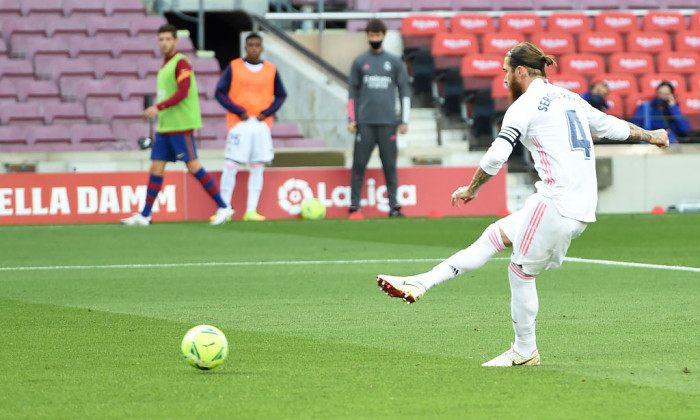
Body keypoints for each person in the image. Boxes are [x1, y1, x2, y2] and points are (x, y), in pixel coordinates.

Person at [376, 42, 668, 367]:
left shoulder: (524, 105)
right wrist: (651, 135)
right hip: (580, 204)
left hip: (555, 202)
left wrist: (472, 189)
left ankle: (525, 351)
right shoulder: (570, 98)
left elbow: (496, 155)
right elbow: (611, 127)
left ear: (519, 71)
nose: (503, 80)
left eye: (504, 72)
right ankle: (421, 281)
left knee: (520, 272)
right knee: (494, 235)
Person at [121, 24, 233, 226]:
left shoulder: (181, 63)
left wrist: (158, 107)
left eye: (168, 39)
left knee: (193, 166)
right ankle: (145, 215)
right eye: (161, 39)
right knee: (156, 167)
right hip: (166, 127)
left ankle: (224, 206)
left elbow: (183, 90)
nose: (164, 43)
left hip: (181, 126)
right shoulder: (165, 66)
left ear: (175, 41)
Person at [214, 32, 287, 222]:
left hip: (261, 125)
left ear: (262, 48)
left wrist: (268, 111)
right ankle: (225, 208)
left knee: (258, 165)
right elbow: (219, 92)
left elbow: (281, 94)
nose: (254, 49)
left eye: (257, 45)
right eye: (250, 45)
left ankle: (251, 210)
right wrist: (237, 110)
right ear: (245, 47)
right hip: (240, 124)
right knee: (231, 164)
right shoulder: (234, 67)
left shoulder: (270, 69)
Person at [347, 19, 410, 219]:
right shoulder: (359, 61)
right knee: (359, 165)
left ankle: (393, 207)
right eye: (372, 35)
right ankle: (354, 206)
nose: (375, 38)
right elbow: (352, 94)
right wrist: (352, 118)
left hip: (387, 122)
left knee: (390, 166)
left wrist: (404, 120)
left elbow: (404, 92)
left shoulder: (393, 61)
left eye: (378, 35)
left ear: (383, 35)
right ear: (367, 36)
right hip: (365, 122)